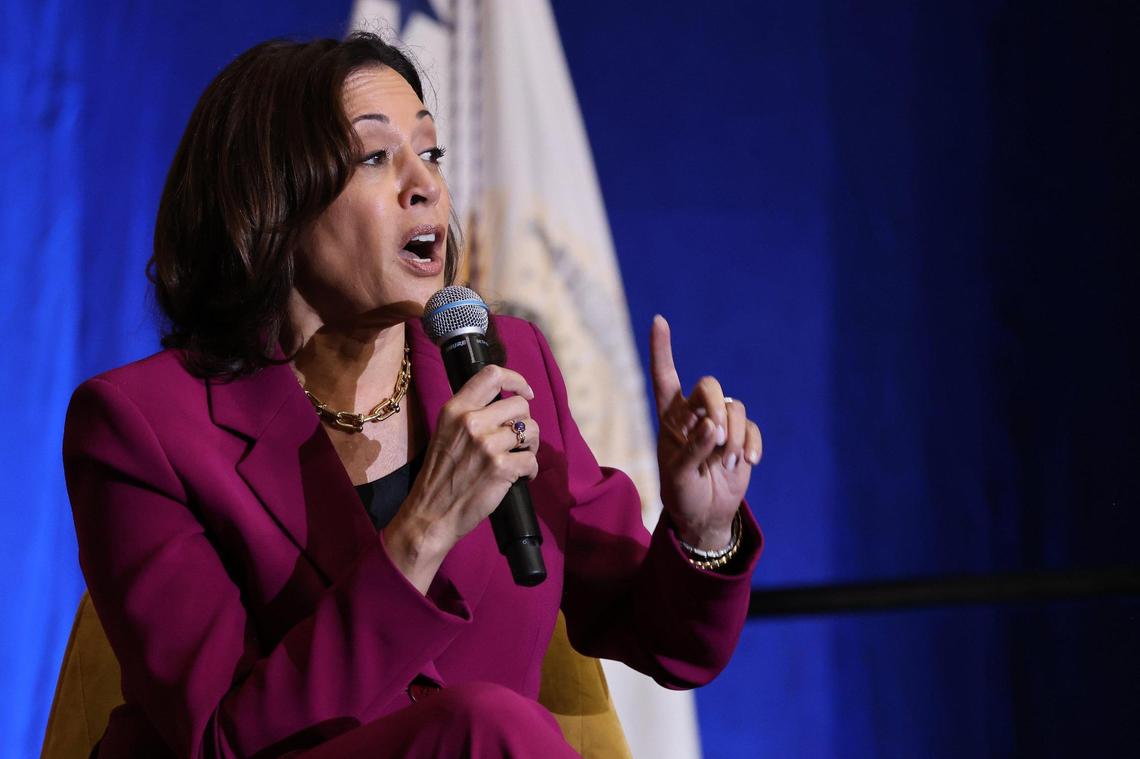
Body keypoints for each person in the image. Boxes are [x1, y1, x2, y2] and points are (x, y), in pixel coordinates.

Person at [63, 32, 764, 758]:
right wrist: (424, 527)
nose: (424, 184)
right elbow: (220, 739)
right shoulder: (140, 426)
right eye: (375, 157)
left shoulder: (506, 359)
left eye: (430, 153)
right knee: (489, 727)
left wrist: (701, 531)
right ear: (269, 199)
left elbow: (665, 639)